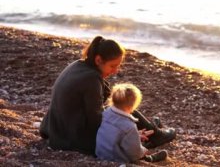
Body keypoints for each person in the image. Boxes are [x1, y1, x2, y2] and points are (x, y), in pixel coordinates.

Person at [39, 36, 176, 155]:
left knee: (121, 109)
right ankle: (155, 135)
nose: (116, 71)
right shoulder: (91, 79)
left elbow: (97, 108)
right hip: (71, 139)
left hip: (55, 128)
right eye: (113, 66)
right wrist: (128, 134)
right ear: (98, 60)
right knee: (124, 109)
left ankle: (151, 130)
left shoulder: (78, 65)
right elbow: (97, 121)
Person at [96, 83, 168, 163]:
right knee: (136, 154)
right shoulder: (129, 126)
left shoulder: (106, 113)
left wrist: (136, 135)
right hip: (117, 159)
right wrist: (143, 150)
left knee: (131, 142)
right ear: (132, 106)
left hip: (101, 152)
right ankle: (149, 159)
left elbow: (115, 133)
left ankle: (139, 143)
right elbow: (134, 152)